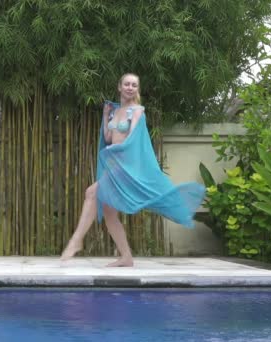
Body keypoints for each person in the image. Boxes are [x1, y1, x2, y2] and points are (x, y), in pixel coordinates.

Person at [60, 73, 205, 267]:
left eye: (134, 85)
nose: (130, 87)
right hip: (114, 166)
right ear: (119, 87)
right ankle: (126, 256)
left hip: (126, 166)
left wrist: (117, 150)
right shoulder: (115, 111)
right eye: (127, 84)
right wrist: (105, 116)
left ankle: (76, 240)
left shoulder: (137, 111)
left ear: (137, 89)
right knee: (109, 212)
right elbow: (109, 138)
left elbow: (132, 138)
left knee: (91, 192)